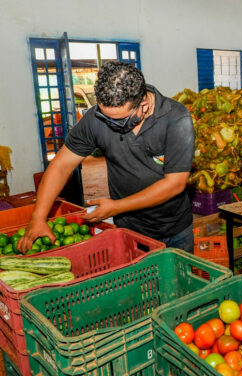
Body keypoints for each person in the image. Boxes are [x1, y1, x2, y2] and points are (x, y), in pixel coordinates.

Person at [19, 61, 195, 253]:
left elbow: (175, 183)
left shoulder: (176, 118)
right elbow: (61, 166)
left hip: (174, 228)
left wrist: (116, 207)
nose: (110, 124)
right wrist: (38, 217)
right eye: (106, 117)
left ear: (143, 105)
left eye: (119, 121)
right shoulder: (95, 119)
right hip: (129, 229)